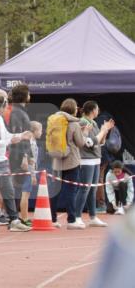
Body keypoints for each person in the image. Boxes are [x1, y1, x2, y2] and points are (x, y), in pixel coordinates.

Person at [0, 96, 33, 232]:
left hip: (2, 158)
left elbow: (6, 135)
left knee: (9, 190)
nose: (7, 108)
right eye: (6, 106)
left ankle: (14, 219)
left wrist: (20, 135)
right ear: (1, 106)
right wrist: (12, 141)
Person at [47, 98, 87, 228]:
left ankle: (53, 219)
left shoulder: (54, 121)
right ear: (72, 109)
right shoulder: (74, 124)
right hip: (72, 162)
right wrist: (85, 132)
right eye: (76, 107)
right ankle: (71, 220)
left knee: (55, 191)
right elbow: (81, 143)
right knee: (71, 191)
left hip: (57, 161)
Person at [77, 100, 113, 227]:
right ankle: (77, 217)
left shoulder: (93, 122)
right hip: (86, 160)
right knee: (84, 189)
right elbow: (89, 143)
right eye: (97, 109)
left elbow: (100, 142)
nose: (98, 111)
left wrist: (104, 132)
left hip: (96, 159)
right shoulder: (82, 122)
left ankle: (93, 217)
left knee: (93, 189)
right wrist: (102, 131)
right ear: (93, 110)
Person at [8, 84, 32, 208]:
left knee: (20, 186)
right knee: (17, 187)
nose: (30, 96)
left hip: (21, 154)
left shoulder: (21, 111)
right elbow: (18, 136)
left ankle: (16, 217)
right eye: (28, 93)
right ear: (24, 96)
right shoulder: (17, 112)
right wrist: (24, 156)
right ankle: (15, 218)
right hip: (18, 156)